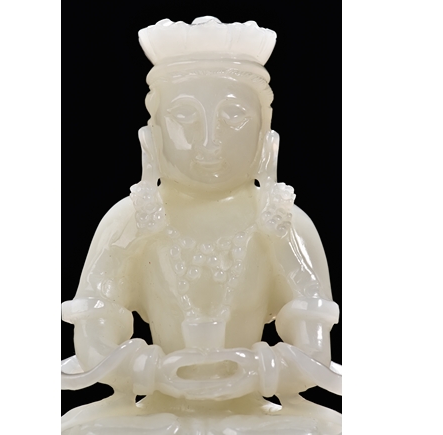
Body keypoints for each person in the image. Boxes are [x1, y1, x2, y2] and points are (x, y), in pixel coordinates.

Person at [61, 17, 342, 435]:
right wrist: (152, 371)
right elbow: (93, 339)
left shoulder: (284, 224)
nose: (210, 140)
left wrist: (256, 371)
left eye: (234, 116)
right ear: (153, 133)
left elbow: (314, 353)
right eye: (185, 116)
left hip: (250, 415)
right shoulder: (129, 222)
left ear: (266, 130)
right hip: (159, 410)